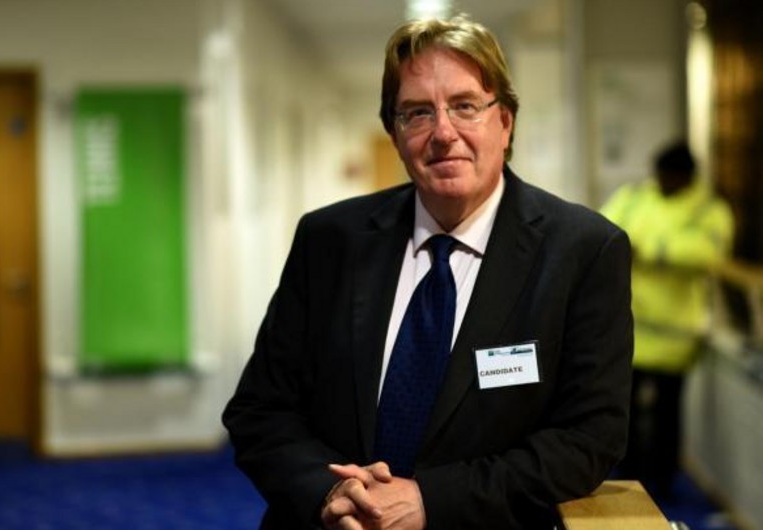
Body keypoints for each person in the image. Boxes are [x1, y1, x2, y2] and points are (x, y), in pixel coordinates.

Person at [223, 15, 633, 530]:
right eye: (417, 112)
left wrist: (431, 501)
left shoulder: (583, 251)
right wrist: (329, 492)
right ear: (395, 134)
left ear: (505, 122)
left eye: (465, 106)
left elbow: (588, 439)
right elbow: (259, 410)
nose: (443, 132)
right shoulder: (329, 240)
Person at [601, 141, 734, 500]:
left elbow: (706, 253)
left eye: (671, 177)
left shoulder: (708, 210)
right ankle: (626, 480)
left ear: (687, 178)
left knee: (666, 416)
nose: (663, 182)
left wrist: (650, 250)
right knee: (621, 412)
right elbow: (603, 232)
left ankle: (663, 485)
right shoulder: (634, 197)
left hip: (675, 340)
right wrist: (640, 248)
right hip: (631, 331)